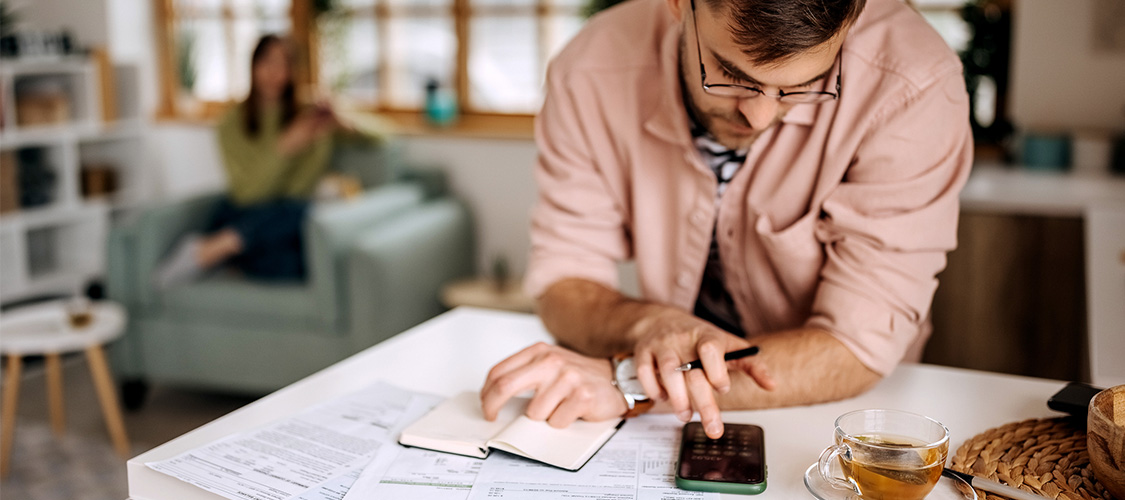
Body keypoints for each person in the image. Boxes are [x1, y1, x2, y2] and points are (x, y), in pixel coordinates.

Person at [480, 0, 973, 439]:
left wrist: (631, 383)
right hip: (659, 420)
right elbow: (565, 281)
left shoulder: (913, 82)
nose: (758, 116)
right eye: (731, 73)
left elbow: (854, 346)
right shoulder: (590, 68)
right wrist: (652, 324)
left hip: (848, 420)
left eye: (802, 86)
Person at [156, 34, 376, 288]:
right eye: (268, 63)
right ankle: (221, 246)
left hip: (289, 222)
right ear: (253, 66)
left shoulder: (310, 113)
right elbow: (248, 193)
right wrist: (285, 147)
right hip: (245, 212)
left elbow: (382, 136)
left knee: (303, 246)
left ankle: (229, 255)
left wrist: (344, 122)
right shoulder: (231, 122)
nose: (276, 73)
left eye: (284, 65)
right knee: (297, 212)